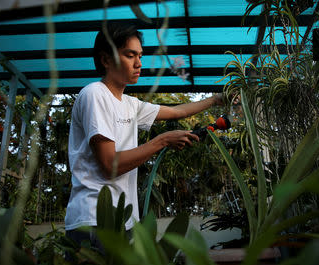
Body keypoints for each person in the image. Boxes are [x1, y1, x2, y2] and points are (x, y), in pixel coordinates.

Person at [64, 24, 223, 250]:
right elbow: (110, 165)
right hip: (94, 220)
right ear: (106, 59)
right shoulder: (94, 95)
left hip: (123, 221)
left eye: (140, 55)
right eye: (130, 55)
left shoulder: (130, 105)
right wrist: (163, 141)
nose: (139, 63)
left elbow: (178, 112)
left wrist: (217, 99)